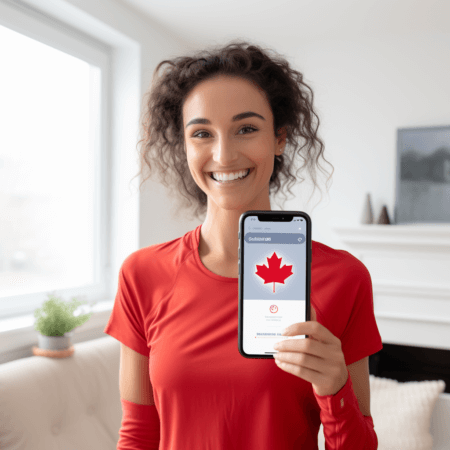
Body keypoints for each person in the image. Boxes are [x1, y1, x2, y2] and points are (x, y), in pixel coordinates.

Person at [104, 39, 383, 449]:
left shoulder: (344, 279)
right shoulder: (142, 274)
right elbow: (139, 435)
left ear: (280, 138)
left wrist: (335, 388)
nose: (224, 153)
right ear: (185, 147)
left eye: (246, 129)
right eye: (202, 133)